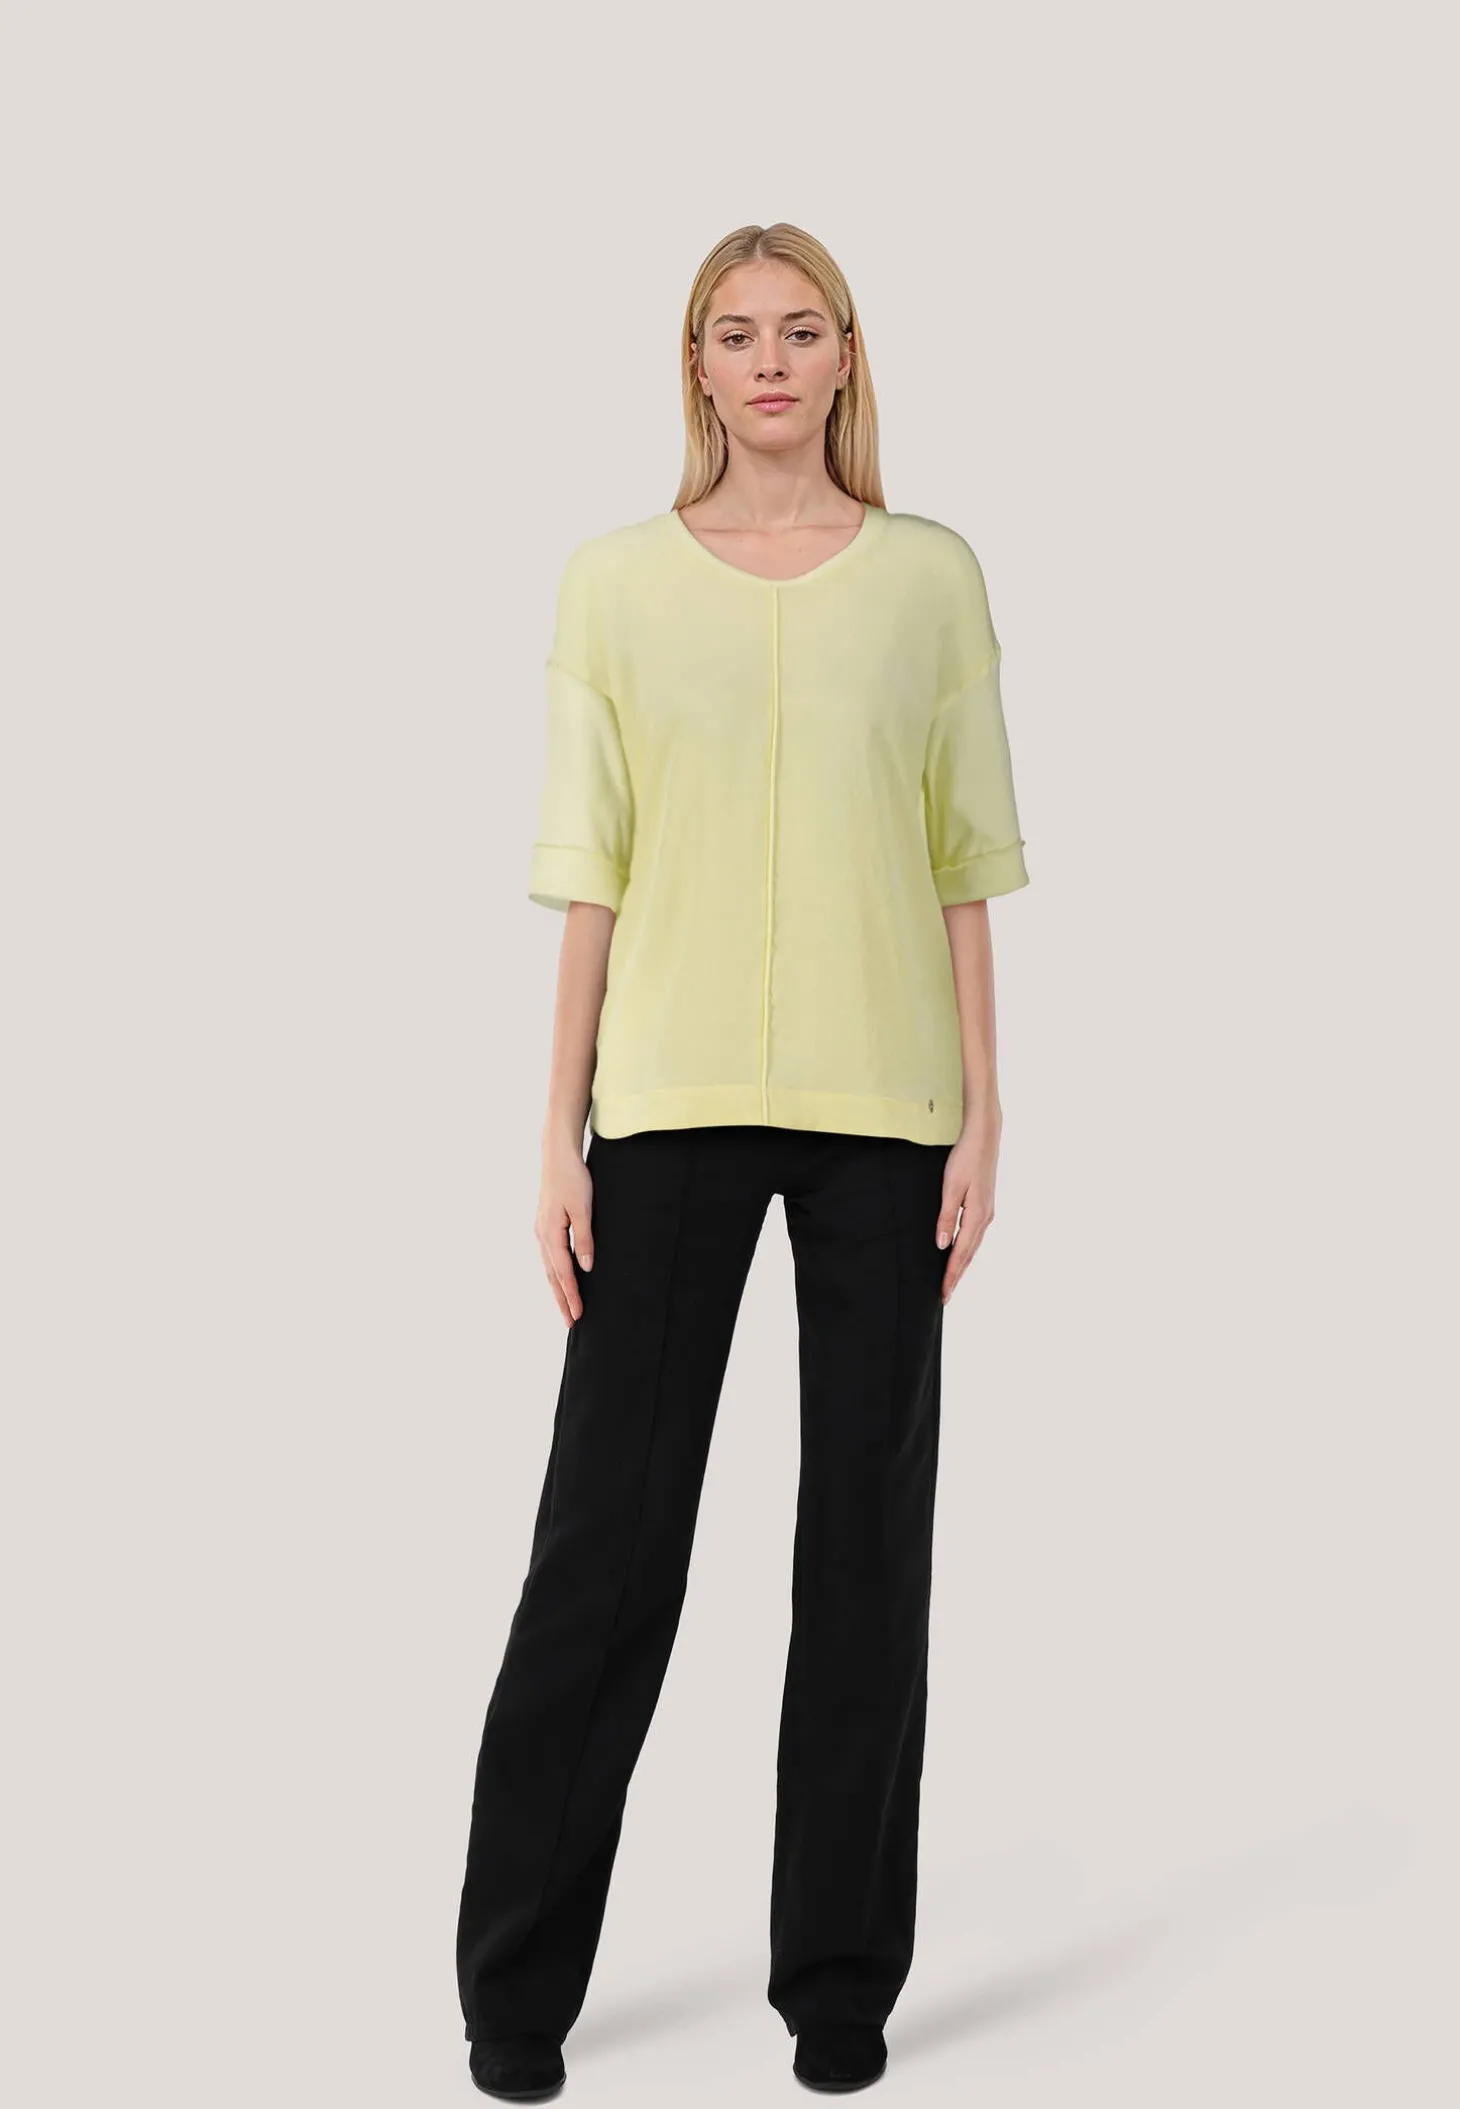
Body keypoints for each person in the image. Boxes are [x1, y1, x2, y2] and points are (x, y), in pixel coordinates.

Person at [456, 220, 1031, 2101]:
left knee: (866, 1546)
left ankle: (841, 1984)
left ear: (848, 355)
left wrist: (986, 1107)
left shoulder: (929, 579)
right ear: (695, 364)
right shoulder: (615, 584)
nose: (768, 360)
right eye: (733, 333)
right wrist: (556, 1129)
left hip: (886, 1109)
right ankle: (515, 1989)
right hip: (667, 1103)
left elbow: (962, 856)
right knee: (607, 1546)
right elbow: (591, 866)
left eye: (799, 329)